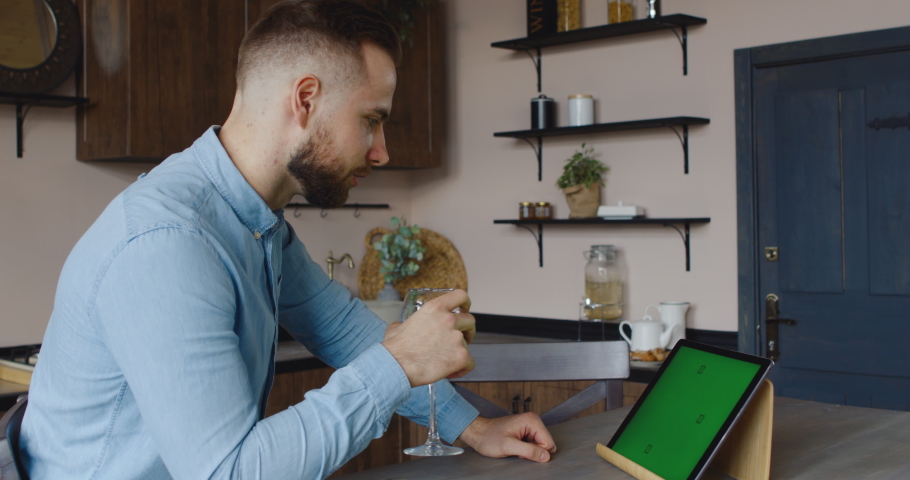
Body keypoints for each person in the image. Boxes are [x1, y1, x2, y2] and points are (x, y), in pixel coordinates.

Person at [20, 1, 557, 478]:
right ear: (305, 99)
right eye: (371, 120)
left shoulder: (258, 221)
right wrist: (397, 364)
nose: (381, 151)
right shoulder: (168, 242)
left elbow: (343, 329)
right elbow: (227, 472)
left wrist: (474, 427)